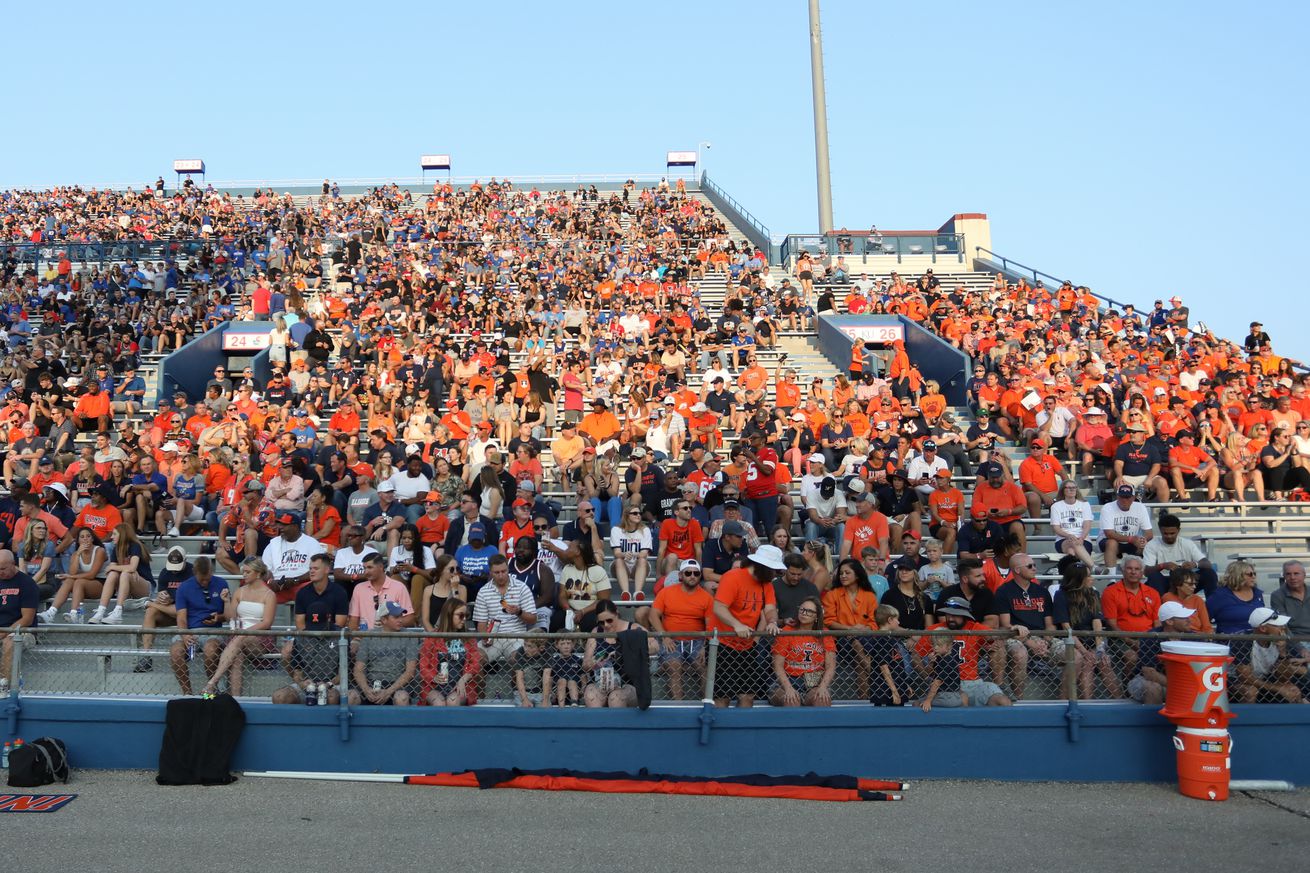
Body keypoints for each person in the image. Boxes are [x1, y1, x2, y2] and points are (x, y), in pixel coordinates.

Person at [708, 544, 785, 708]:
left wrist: (772, 621)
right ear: (762, 566)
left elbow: (770, 608)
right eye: (773, 570)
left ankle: (741, 732)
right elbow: (719, 607)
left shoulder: (767, 584)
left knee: (748, 696)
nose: (775, 575)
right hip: (722, 644)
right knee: (722, 698)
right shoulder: (732, 577)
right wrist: (737, 625)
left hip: (747, 646)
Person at [273, 553, 348, 704]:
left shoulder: (339, 592)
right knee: (287, 650)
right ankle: (304, 682)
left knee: (349, 647)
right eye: (310, 568)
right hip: (308, 635)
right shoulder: (303, 592)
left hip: (331, 635)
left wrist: (322, 638)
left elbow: (339, 623)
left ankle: (333, 682)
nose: (311, 571)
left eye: (316, 568)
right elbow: (300, 623)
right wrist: (308, 639)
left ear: (327, 570)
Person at [915, 597, 1011, 710]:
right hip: (946, 686)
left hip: (973, 684)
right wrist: (926, 677)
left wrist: (1014, 628)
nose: (950, 618)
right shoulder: (936, 630)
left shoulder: (974, 628)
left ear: (965, 616)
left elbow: (994, 635)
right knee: (917, 705)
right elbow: (916, 654)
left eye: (955, 615)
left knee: (1003, 702)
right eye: (948, 614)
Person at [203, 557, 277, 697]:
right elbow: (230, 617)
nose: (244, 574)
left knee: (240, 638)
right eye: (244, 571)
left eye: (248, 572)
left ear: (258, 573)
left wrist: (245, 632)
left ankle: (212, 683)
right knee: (237, 657)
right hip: (238, 637)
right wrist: (226, 602)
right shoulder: (240, 591)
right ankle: (235, 699)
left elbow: (267, 623)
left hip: (260, 637)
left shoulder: (269, 595)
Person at [989, 553, 1056, 700]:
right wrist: (1030, 643)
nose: (1034, 568)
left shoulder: (1042, 591)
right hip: (1015, 637)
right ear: (1017, 570)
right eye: (1030, 566)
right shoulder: (1004, 591)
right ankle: (1019, 700)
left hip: (1042, 638)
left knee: (1074, 657)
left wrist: (1047, 641)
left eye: (1035, 565)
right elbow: (1006, 625)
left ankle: (1066, 701)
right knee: (1020, 654)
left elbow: (1050, 624)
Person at [1053, 561, 1123, 699]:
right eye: (1089, 576)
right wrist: (1084, 652)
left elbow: (1097, 622)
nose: (1093, 578)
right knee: (1087, 661)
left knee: (1103, 662)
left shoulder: (1093, 593)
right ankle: (1087, 703)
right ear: (1079, 580)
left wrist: (1099, 648)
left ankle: (1120, 700)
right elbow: (1067, 628)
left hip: (1091, 641)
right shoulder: (1061, 595)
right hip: (1070, 642)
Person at [648, 559, 714, 700]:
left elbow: (710, 624)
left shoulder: (707, 597)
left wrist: (705, 646)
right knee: (674, 666)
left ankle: (706, 704)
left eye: (696, 573)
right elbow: (653, 615)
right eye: (688, 573)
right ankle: (679, 706)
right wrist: (665, 636)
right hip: (671, 639)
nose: (692, 576)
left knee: (705, 668)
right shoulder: (666, 592)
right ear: (680, 575)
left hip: (697, 641)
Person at [168, 557, 229, 695]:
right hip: (191, 630)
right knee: (176, 652)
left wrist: (218, 618)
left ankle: (212, 689)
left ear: (212, 572)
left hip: (214, 631)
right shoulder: (184, 587)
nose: (205, 582)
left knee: (210, 649)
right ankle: (187, 693)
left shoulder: (222, 584)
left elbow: (228, 616)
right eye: (202, 579)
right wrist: (185, 635)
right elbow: (181, 617)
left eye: (208, 578)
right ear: (195, 573)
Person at [822, 558, 879, 698]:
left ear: (858, 575)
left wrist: (864, 629)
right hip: (842, 639)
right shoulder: (832, 594)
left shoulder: (870, 596)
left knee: (859, 661)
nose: (843, 576)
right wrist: (850, 629)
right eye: (841, 573)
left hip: (866, 638)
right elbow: (829, 621)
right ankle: (880, 676)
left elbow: (875, 623)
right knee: (856, 644)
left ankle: (865, 700)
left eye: (847, 573)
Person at [349, 601, 420, 706]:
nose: (400, 620)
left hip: (398, 685)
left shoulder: (410, 636)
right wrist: (366, 689)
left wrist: (388, 692)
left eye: (401, 616)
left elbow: (410, 671)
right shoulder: (369, 636)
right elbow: (358, 670)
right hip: (371, 682)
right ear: (383, 619)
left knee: (401, 698)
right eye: (396, 617)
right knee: (350, 696)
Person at [769, 596, 835, 707]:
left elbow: (831, 666)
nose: (804, 613)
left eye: (809, 611)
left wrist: (823, 687)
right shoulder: (787, 631)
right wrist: (789, 689)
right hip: (787, 680)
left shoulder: (824, 633)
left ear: (816, 617)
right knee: (791, 701)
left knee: (822, 700)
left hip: (814, 681)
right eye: (802, 609)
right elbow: (777, 665)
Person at [1127, 601, 1197, 705]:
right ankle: (1154, 721)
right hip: (1149, 680)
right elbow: (1148, 672)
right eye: (1183, 618)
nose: (1189, 620)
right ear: (1169, 621)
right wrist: (1179, 686)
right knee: (1152, 687)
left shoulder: (1194, 638)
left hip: (1183, 683)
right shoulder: (1151, 637)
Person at [472, 553, 536, 664]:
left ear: (508, 570)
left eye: (504, 571)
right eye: (497, 572)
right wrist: (485, 638)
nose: (501, 575)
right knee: (475, 659)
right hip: (492, 637)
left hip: (516, 636)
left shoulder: (522, 588)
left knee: (518, 658)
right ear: (490, 573)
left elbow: (533, 619)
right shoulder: (483, 592)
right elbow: (481, 623)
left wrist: (519, 612)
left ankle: (515, 682)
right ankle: (479, 682)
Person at [582, 599, 646, 708]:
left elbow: (655, 646)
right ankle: (600, 725)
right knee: (591, 696)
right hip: (600, 683)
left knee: (616, 698)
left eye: (609, 620)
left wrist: (629, 649)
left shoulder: (633, 628)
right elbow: (585, 665)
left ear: (617, 613)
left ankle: (617, 725)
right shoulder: (596, 631)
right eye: (601, 622)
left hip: (626, 684)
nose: (606, 625)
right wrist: (597, 659)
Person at [420, 599, 482, 707]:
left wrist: (463, 680)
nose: (464, 619)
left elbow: (475, 664)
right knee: (438, 703)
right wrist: (433, 677)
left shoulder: (468, 638)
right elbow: (424, 665)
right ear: (449, 615)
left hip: (461, 686)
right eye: (460, 615)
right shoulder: (433, 637)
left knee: (453, 701)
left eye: (466, 616)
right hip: (435, 686)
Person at [1142, 513, 1217, 596]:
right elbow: (1146, 571)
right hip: (1164, 582)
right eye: (1165, 533)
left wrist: (1194, 564)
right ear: (1160, 530)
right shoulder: (1152, 545)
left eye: (1172, 533)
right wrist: (1163, 566)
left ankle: (1213, 605)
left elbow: (1207, 564)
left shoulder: (1187, 543)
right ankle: (1162, 605)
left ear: (1179, 530)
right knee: (1154, 577)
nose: (1169, 536)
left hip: (1186, 581)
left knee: (1209, 573)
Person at [261, 513, 326, 603]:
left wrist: (296, 580)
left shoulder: (311, 543)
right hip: (277, 586)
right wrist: (270, 581)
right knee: (256, 586)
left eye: (284, 525)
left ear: (295, 526)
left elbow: (319, 569)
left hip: (302, 584)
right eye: (279, 524)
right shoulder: (273, 544)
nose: (280, 527)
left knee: (314, 585)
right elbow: (265, 569)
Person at [347, 552, 414, 630]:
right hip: (366, 639)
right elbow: (353, 620)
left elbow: (410, 619)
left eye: (370, 567)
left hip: (391, 638)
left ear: (381, 567)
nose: (366, 572)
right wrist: (357, 639)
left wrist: (389, 624)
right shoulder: (359, 588)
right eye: (364, 568)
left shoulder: (399, 587)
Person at [0, 549, 39, 681]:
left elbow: (27, 619)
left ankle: (4, 687)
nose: (0, 572)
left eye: (3, 568)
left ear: (13, 564)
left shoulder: (27, 583)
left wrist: (5, 632)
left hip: (22, 631)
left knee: (9, 643)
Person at [1098, 484, 1153, 572]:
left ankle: (1145, 577)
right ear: (1117, 496)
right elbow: (1109, 534)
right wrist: (1131, 539)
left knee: (1147, 546)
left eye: (1127, 497)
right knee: (1112, 543)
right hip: (1108, 540)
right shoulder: (1108, 507)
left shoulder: (1140, 507)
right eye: (1122, 497)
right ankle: (1112, 578)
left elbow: (1149, 533)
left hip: (1132, 541)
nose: (1124, 500)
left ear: (1133, 497)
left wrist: (1143, 540)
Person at [609, 505, 651, 600]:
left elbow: (644, 553)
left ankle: (637, 593)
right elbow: (617, 553)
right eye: (635, 513)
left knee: (642, 560)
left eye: (640, 513)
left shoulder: (645, 530)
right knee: (619, 560)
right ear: (627, 515)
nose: (638, 515)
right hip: (621, 566)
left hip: (639, 566)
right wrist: (624, 555)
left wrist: (634, 554)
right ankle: (626, 593)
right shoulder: (616, 530)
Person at [1050, 480, 1095, 568]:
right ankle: (1093, 567)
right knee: (1072, 542)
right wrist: (1068, 535)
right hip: (1063, 540)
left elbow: (1087, 524)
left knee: (1071, 552)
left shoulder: (1085, 505)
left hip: (1083, 539)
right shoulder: (1056, 506)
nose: (1072, 490)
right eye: (1069, 488)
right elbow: (1056, 528)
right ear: (1063, 490)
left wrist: (1082, 537)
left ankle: (1075, 577)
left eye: (1074, 487)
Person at [1270, 561, 1309, 657]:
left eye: (1296, 573)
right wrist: (1300, 648)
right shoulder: (1277, 596)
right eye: (1288, 574)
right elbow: (1283, 626)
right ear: (1284, 576)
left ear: (1304, 575)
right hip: (1294, 641)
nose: (1292, 577)